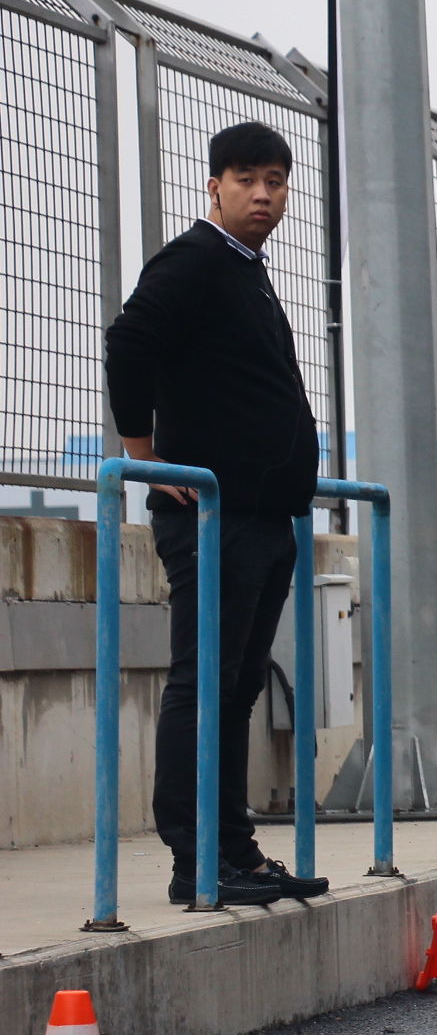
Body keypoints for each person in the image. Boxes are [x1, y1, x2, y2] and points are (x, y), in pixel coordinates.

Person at [103, 120, 329, 908]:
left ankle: (233, 851)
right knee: (205, 685)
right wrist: (145, 452)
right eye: (246, 179)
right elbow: (128, 342)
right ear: (215, 185)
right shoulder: (196, 260)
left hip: (264, 518)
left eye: (275, 181)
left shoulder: (246, 269)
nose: (263, 194)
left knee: (235, 691)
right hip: (213, 517)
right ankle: (194, 859)